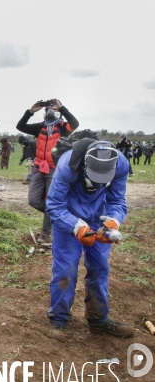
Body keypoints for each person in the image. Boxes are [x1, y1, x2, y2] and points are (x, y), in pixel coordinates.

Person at [45, 139, 132, 342]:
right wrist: (76, 227)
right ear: (85, 166)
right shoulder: (68, 165)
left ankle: (98, 319)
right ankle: (59, 319)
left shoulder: (121, 163)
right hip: (68, 219)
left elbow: (117, 201)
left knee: (100, 267)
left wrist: (113, 222)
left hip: (98, 219)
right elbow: (54, 204)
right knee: (65, 269)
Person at [16, 99, 80, 244]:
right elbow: (20, 126)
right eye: (48, 108)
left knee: (51, 201)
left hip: (55, 168)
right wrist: (30, 111)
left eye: (53, 108)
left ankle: (45, 233)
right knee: (33, 200)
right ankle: (57, 213)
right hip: (39, 167)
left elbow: (75, 124)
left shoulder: (63, 127)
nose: (50, 110)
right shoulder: (39, 127)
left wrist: (61, 108)